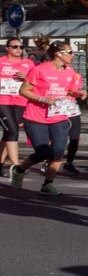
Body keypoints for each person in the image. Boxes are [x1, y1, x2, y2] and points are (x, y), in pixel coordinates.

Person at [10, 40, 81, 196]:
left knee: (58, 152)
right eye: (70, 52)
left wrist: (78, 93)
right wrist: (42, 99)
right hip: (36, 117)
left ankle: (48, 184)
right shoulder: (40, 70)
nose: (73, 55)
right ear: (58, 54)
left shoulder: (69, 71)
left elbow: (69, 91)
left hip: (59, 116)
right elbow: (24, 90)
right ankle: (19, 170)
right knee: (43, 153)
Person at [1, 37, 34, 178]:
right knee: (12, 130)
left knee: (9, 133)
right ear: (7, 48)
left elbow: (35, 82)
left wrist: (26, 77)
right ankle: (15, 166)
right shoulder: (1, 62)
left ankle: (0, 163)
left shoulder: (28, 63)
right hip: (2, 101)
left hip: (20, 102)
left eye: (21, 47)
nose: (18, 49)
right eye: (15, 47)